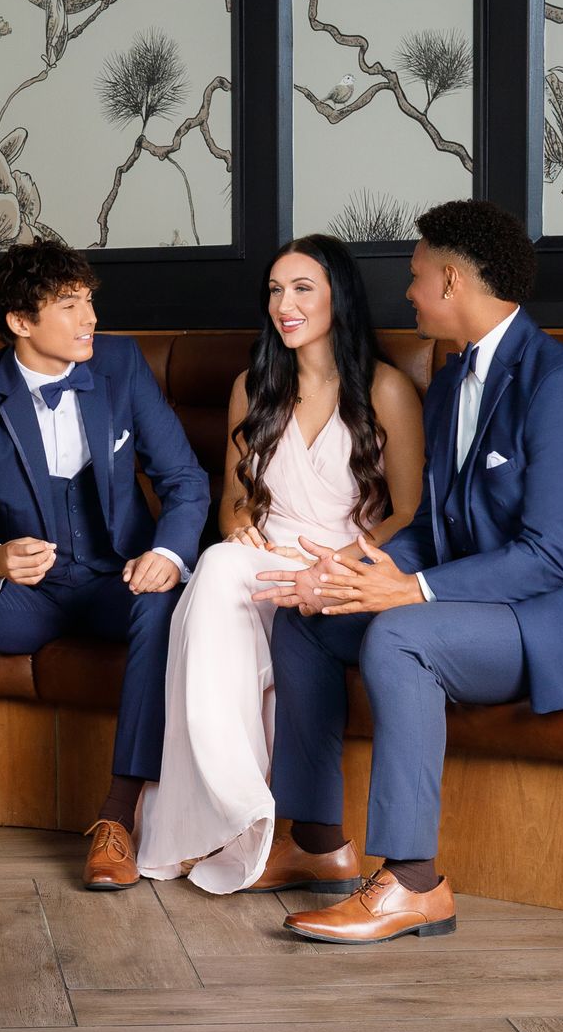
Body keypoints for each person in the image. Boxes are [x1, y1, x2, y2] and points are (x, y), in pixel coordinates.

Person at [268, 198, 563, 947]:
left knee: (401, 636)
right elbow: (435, 527)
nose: (408, 292)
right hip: (486, 605)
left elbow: (551, 554)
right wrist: (355, 571)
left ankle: (414, 882)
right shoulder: (453, 378)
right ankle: (316, 841)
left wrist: (410, 591)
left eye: (416, 276)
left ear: (452, 281)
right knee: (307, 617)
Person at [0, 241, 209, 892]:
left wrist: (167, 555)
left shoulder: (121, 365)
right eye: (69, 305)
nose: (90, 318)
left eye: (89, 301)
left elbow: (185, 481)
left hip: (116, 583)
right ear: (21, 322)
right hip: (28, 599)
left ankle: (117, 819)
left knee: (161, 606)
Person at [137, 235, 423, 896]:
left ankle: (237, 818)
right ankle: (239, 807)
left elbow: (408, 513)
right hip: (261, 557)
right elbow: (233, 504)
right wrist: (240, 530)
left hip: (342, 568)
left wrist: (338, 563)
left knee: (214, 580)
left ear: (337, 297)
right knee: (218, 565)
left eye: (301, 289)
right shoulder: (253, 388)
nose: (283, 305)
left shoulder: (386, 389)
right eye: (274, 290)